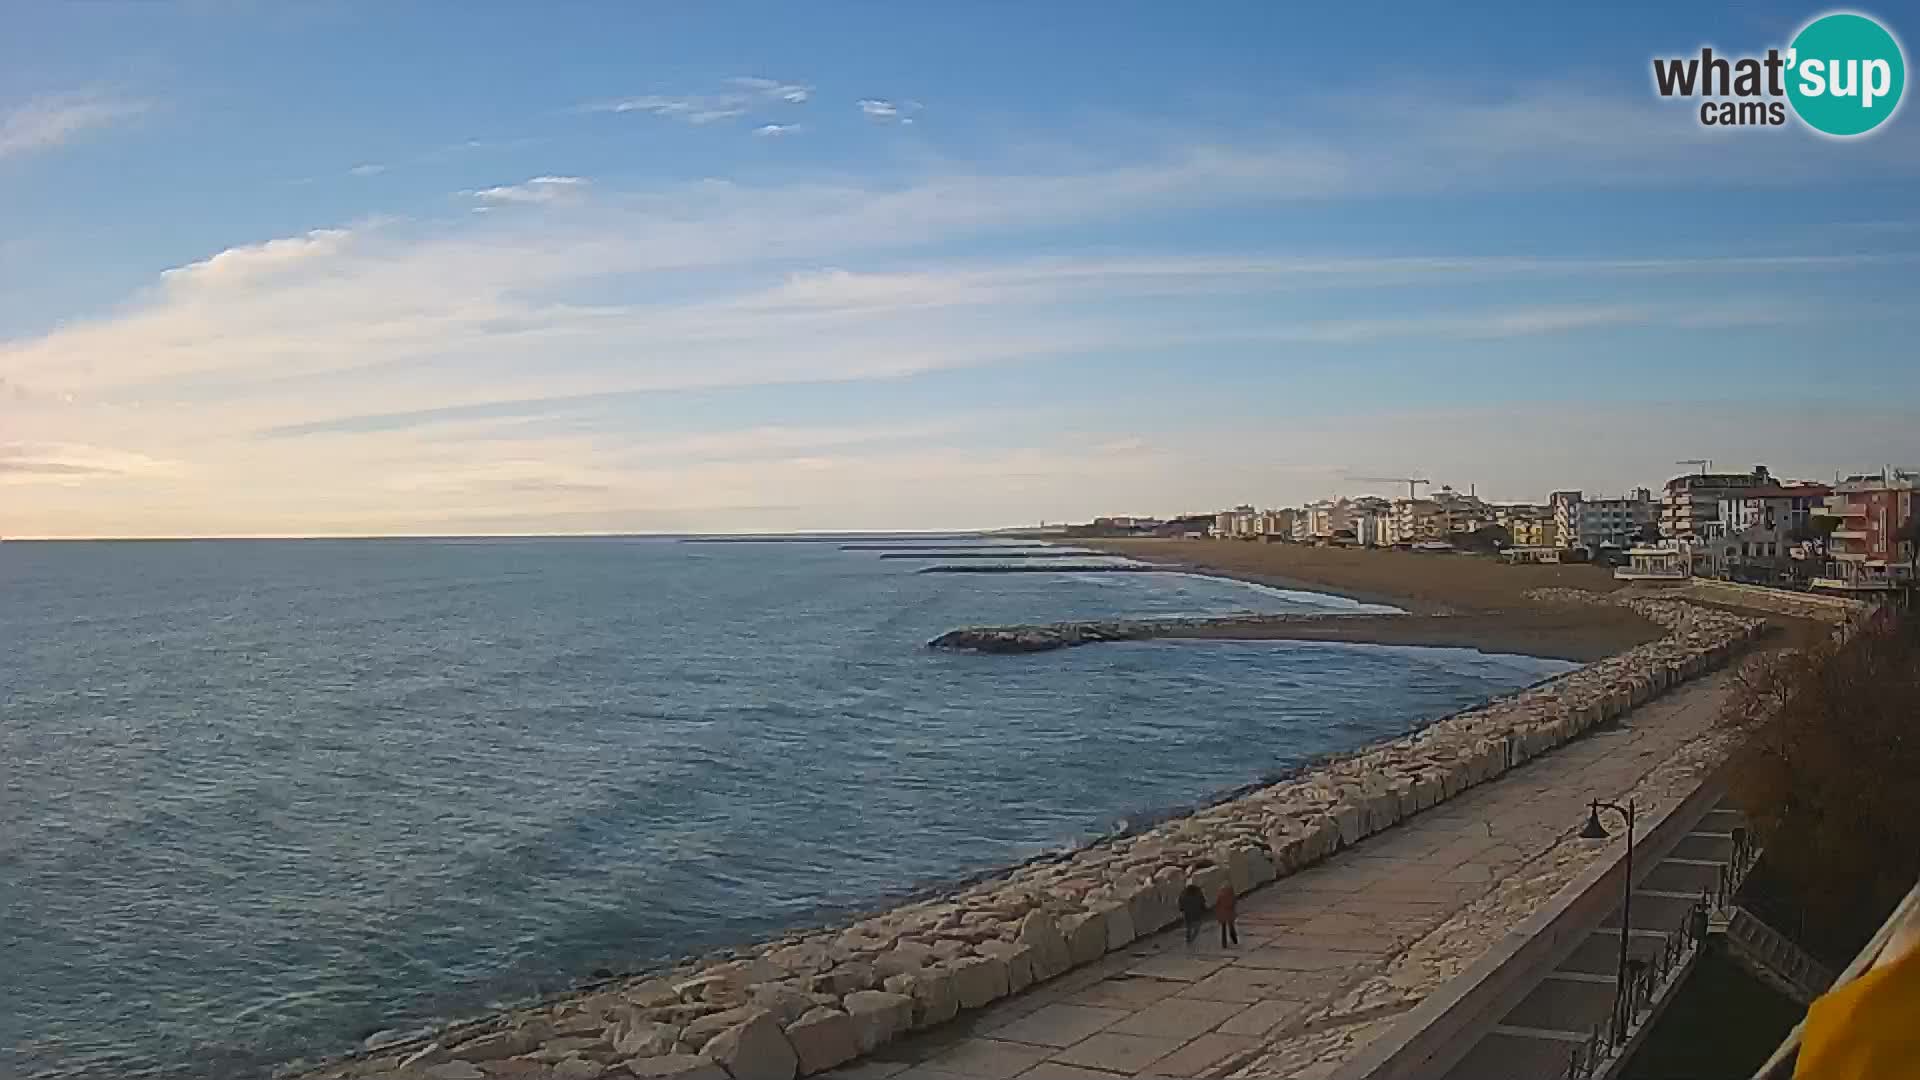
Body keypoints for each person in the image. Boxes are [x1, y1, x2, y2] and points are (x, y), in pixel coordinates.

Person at [1215, 883, 1239, 948]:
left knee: (1223, 929)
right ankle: (1235, 940)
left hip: (1222, 914)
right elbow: (1234, 903)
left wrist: (1217, 913)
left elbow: (1217, 904)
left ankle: (1224, 944)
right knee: (1231, 927)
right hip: (1230, 914)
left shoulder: (1220, 895)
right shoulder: (1231, 895)